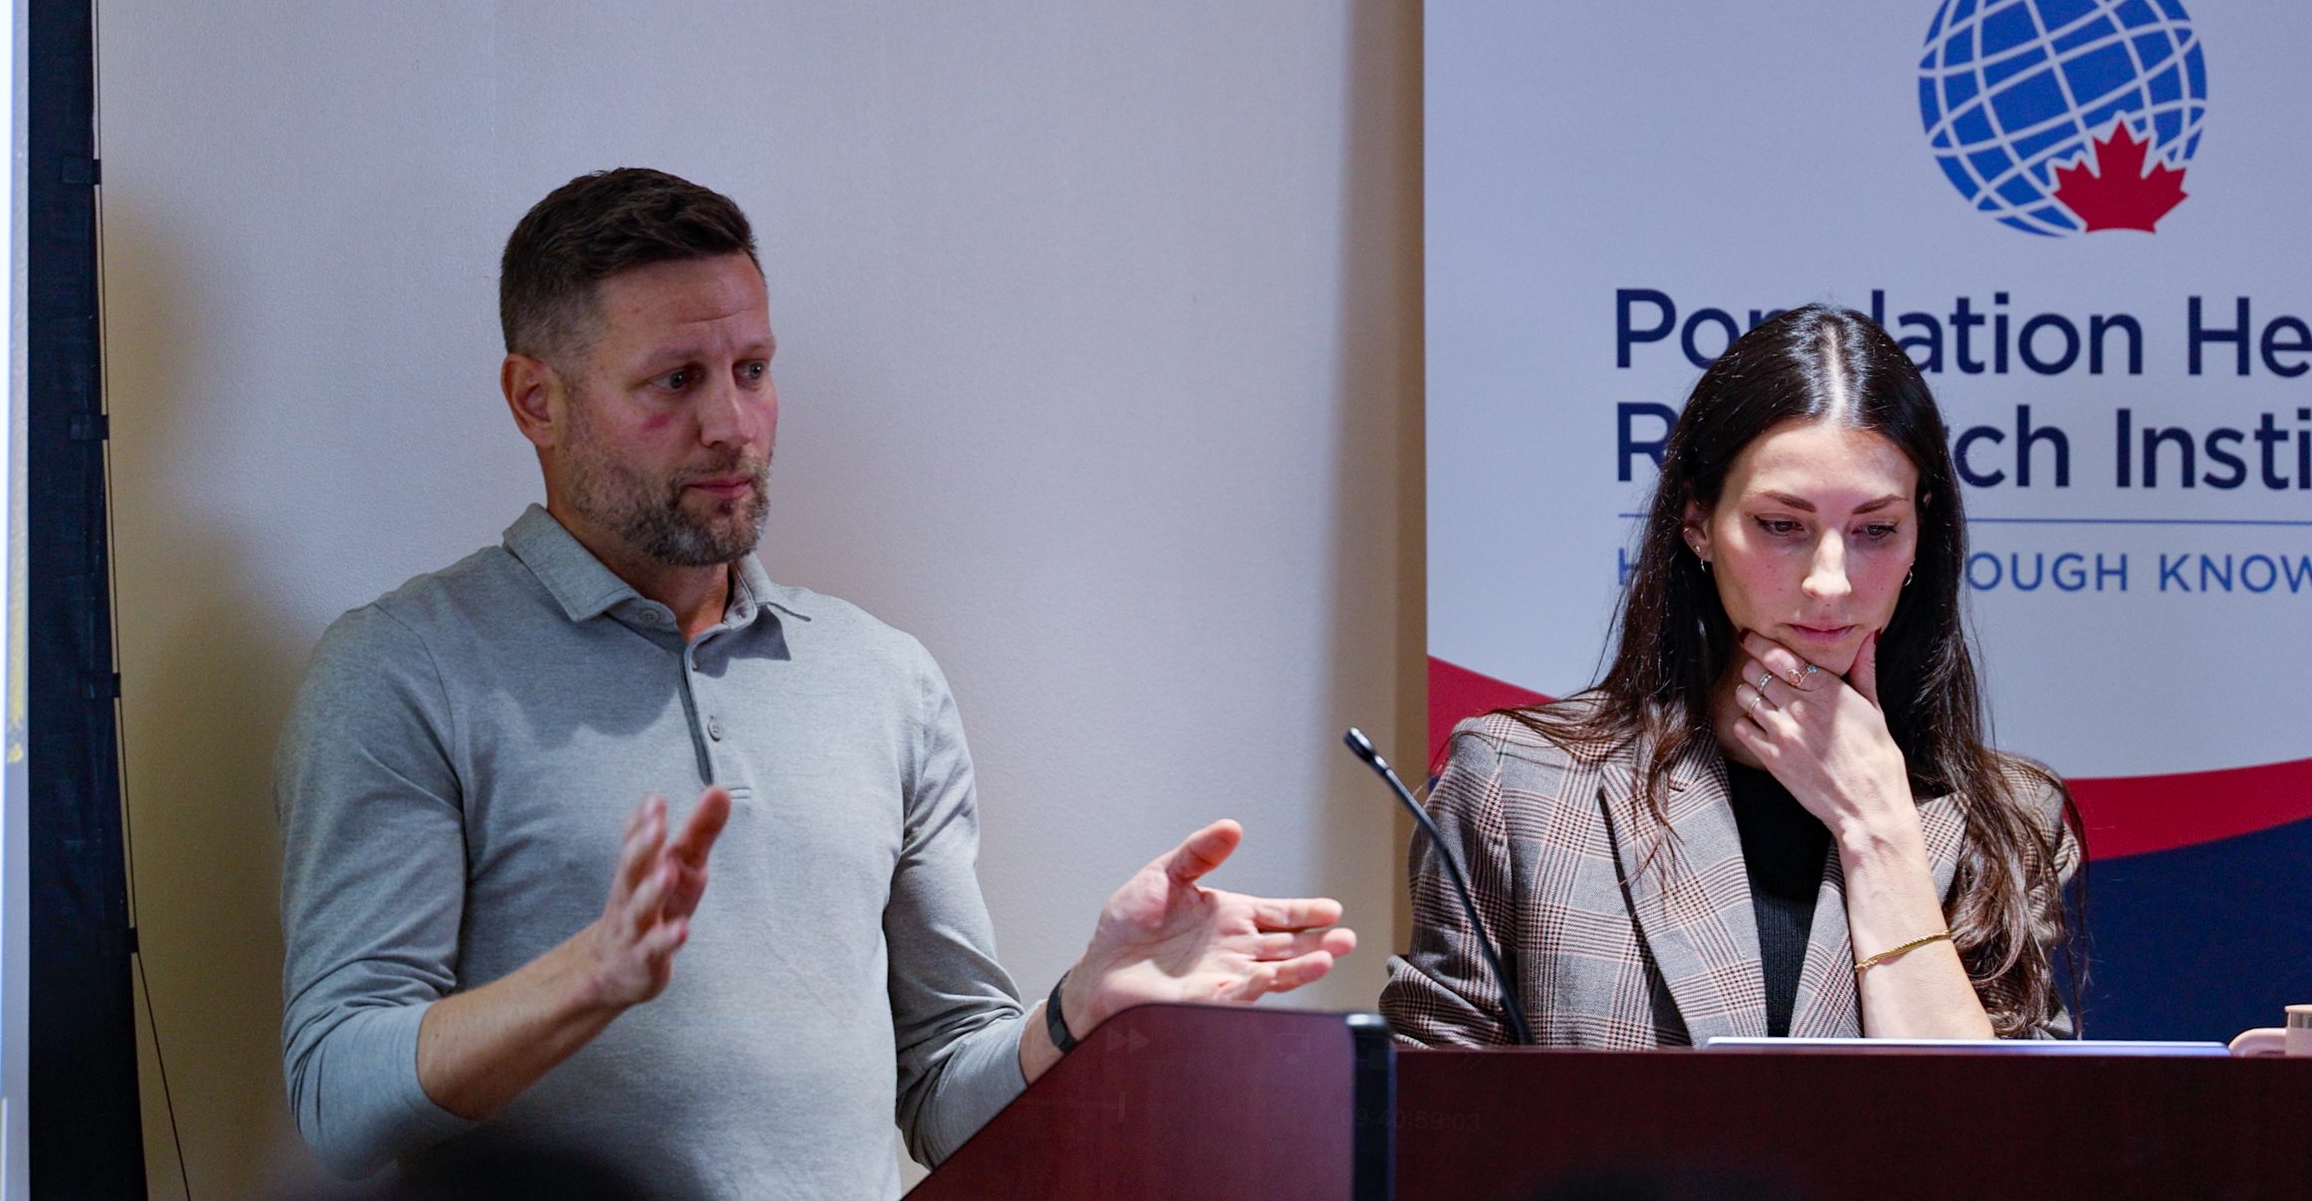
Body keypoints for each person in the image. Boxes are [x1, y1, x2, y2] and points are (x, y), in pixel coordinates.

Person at [276, 168, 1356, 1195]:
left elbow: (943, 1094)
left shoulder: (882, 678)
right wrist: (587, 977)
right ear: (535, 400)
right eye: (675, 380)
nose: (731, 425)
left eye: (752, 369)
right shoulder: (406, 667)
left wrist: (1082, 1008)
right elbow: (339, 1097)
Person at [1384, 305, 2080, 1047]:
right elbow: (1426, 1109)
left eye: (1876, 529)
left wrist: (1878, 832)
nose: (1830, 581)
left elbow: (1992, 1116)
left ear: (1920, 534)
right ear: (1697, 521)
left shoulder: (2010, 817)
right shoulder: (1518, 784)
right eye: (1782, 525)